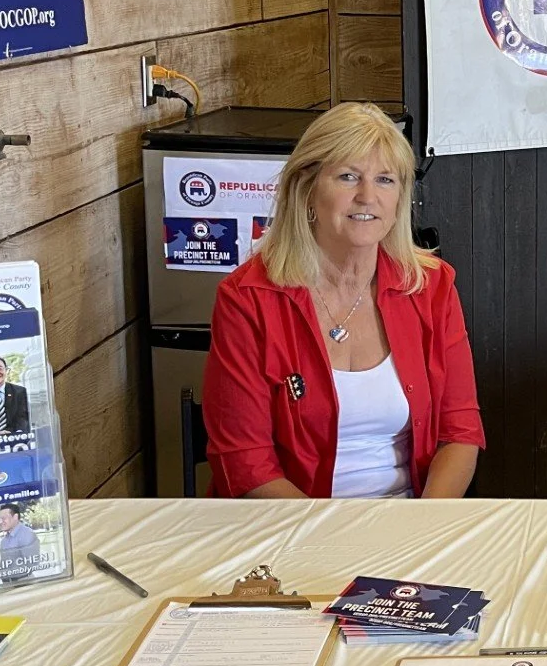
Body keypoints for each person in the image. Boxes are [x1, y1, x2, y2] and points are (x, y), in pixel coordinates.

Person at [204, 102, 484, 499]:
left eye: (385, 180)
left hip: (409, 522)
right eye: (348, 177)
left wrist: (423, 527)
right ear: (307, 190)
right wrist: (335, 548)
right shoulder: (248, 298)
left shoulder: (431, 286)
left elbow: (460, 433)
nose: (367, 196)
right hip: (290, 529)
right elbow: (244, 463)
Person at [0, 503, 38, 582]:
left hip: (24, 583)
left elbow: (32, 563)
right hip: (8, 583)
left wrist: (4, 572)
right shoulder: (4, 540)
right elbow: (7, 562)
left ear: (15, 517)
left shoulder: (27, 534)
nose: (0, 522)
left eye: (3, 519)